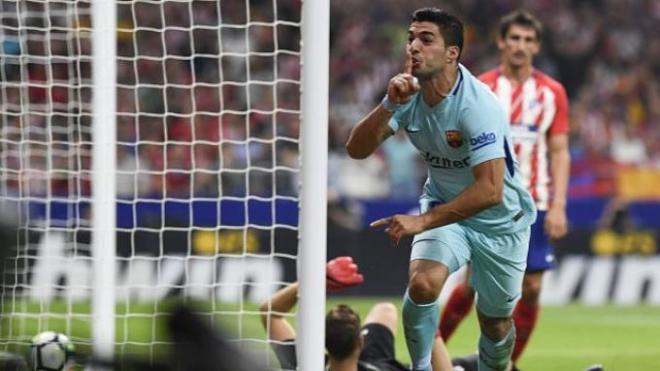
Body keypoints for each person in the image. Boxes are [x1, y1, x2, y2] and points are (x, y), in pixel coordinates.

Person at [346, 7, 536, 371]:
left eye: (426, 39)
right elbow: (356, 149)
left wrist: (422, 221)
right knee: (422, 285)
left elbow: (490, 190)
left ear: (452, 53)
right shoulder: (408, 95)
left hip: (501, 221)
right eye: (411, 38)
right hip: (447, 207)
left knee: (495, 323)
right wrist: (388, 105)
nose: (414, 47)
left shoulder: (477, 106)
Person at [438, 10, 570, 368]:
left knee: (532, 288)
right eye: (514, 38)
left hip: (537, 201)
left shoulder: (552, 93)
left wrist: (559, 206)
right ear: (501, 41)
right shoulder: (480, 88)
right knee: (470, 285)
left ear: (537, 46)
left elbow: (558, 151)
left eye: (528, 40)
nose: (520, 46)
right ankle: (429, 358)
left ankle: (509, 363)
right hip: (488, 200)